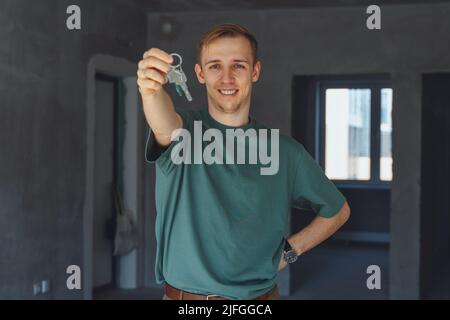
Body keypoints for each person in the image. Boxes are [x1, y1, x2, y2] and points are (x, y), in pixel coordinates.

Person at [136, 23, 350, 300]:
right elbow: (163, 124)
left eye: (238, 65)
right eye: (215, 66)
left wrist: (290, 251)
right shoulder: (183, 133)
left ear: (255, 71)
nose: (226, 78)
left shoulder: (285, 151)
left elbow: (337, 210)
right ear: (200, 74)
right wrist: (150, 91)